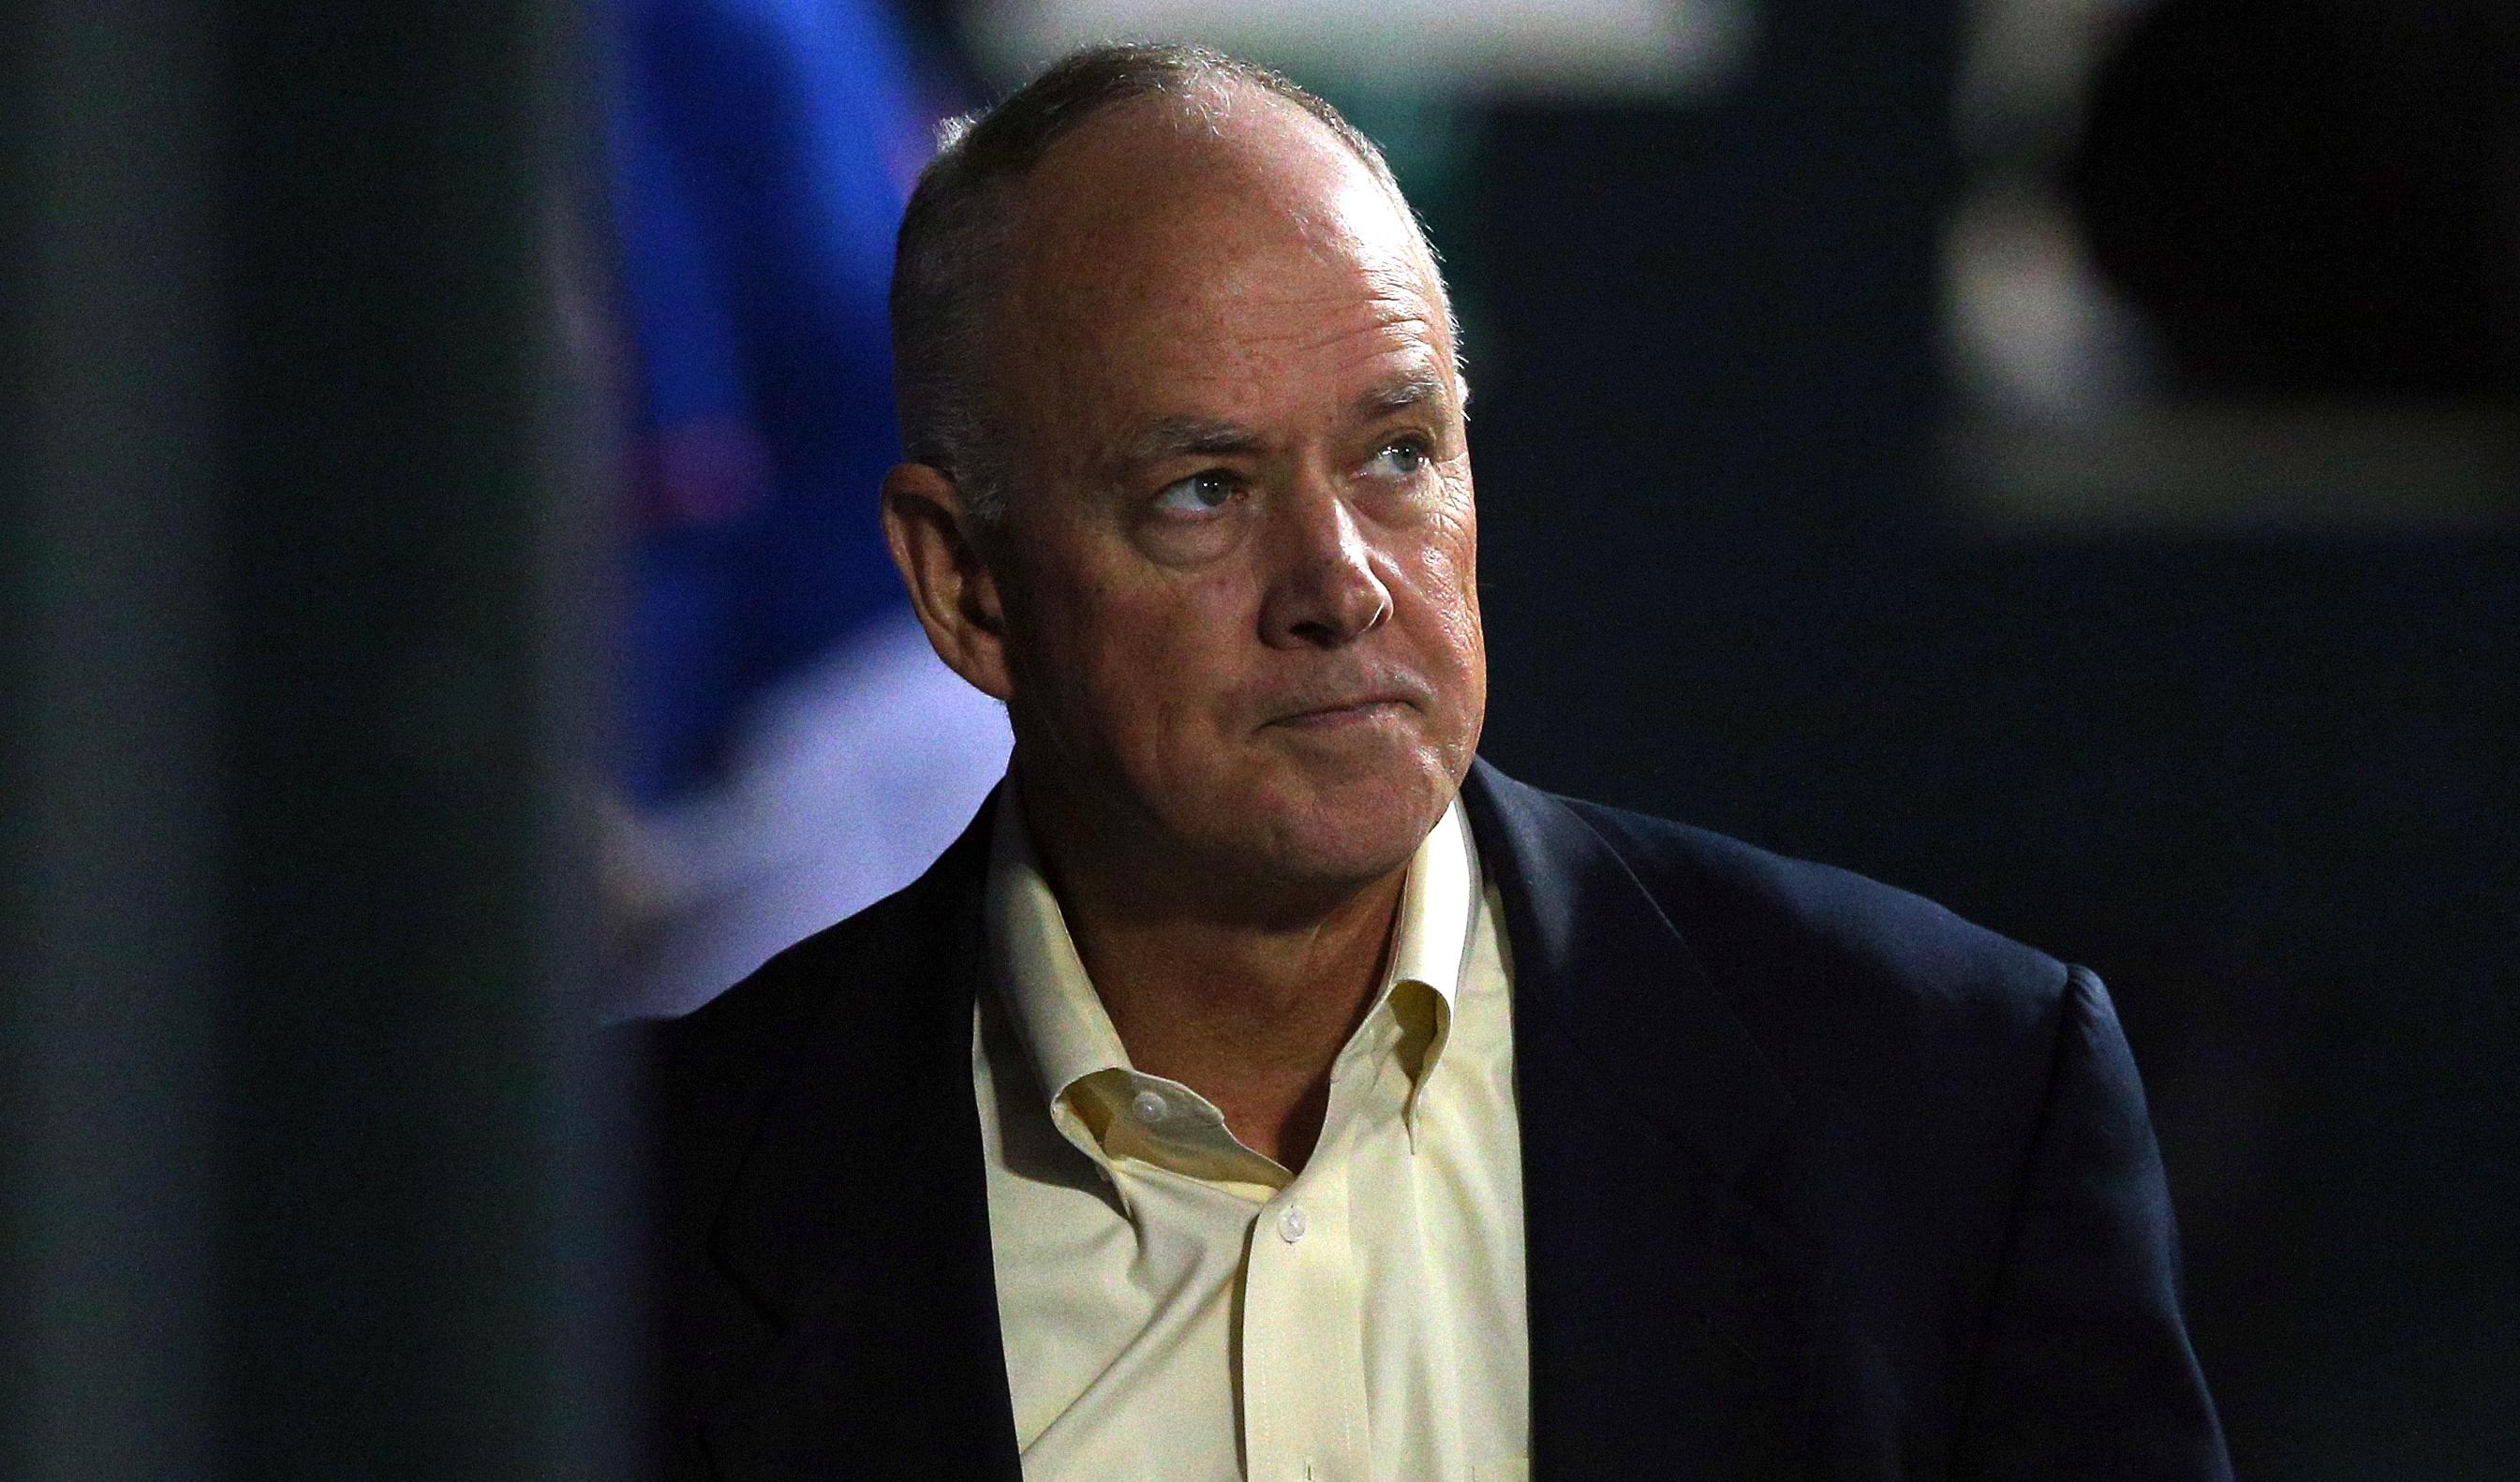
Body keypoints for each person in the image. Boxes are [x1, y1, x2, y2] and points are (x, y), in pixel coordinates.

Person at [630, 42, 2233, 1482]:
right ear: (965, 584)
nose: (1342, 582)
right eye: (1202, 488)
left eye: (1400, 453)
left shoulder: (1948, 1106)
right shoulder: (632, 1220)